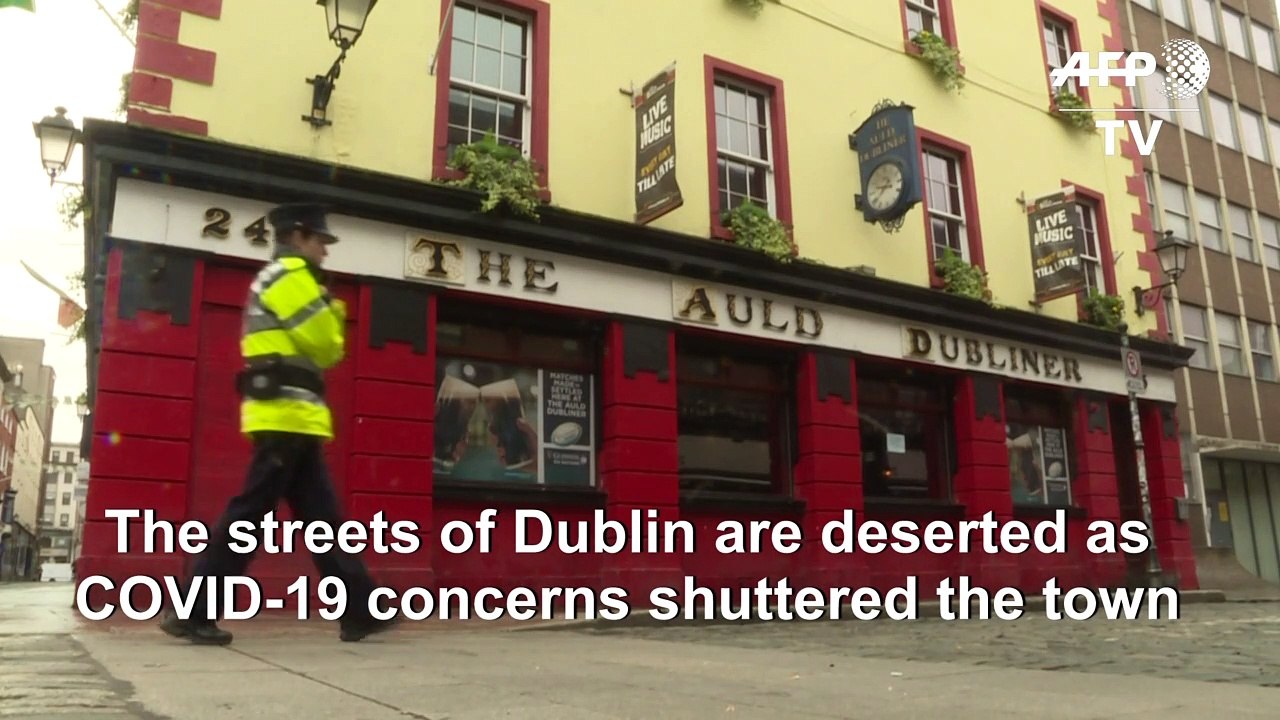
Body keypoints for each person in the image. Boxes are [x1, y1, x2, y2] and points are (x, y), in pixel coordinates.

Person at [160, 202, 394, 645]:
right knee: (250, 515)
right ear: (298, 236)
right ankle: (192, 612)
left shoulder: (282, 277)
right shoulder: (291, 277)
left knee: (322, 521)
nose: (325, 250)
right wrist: (331, 308)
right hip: (286, 416)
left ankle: (361, 610)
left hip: (293, 417)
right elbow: (327, 346)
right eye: (320, 240)